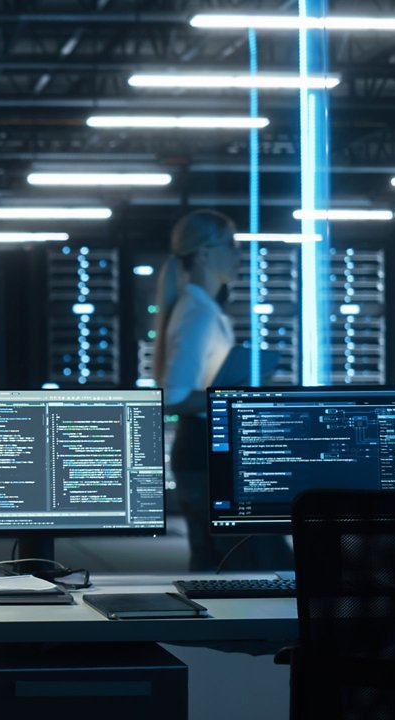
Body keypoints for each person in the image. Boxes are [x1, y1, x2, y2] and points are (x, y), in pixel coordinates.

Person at [153, 210, 241, 571]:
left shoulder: (204, 309)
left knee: (215, 560)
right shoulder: (198, 314)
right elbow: (172, 396)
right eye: (231, 245)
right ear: (205, 253)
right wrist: (234, 400)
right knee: (222, 561)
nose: (238, 255)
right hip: (202, 451)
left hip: (205, 451)